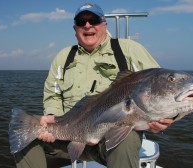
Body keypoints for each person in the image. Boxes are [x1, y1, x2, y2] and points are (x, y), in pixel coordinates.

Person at [14, 3, 173, 168]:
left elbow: (160, 85)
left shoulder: (130, 50)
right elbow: (53, 94)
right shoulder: (63, 57)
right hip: (70, 135)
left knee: (129, 138)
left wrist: (169, 117)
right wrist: (53, 118)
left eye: (93, 20)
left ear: (104, 24)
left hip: (111, 138)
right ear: (75, 28)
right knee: (24, 131)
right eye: (81, 21)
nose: (87, 25)